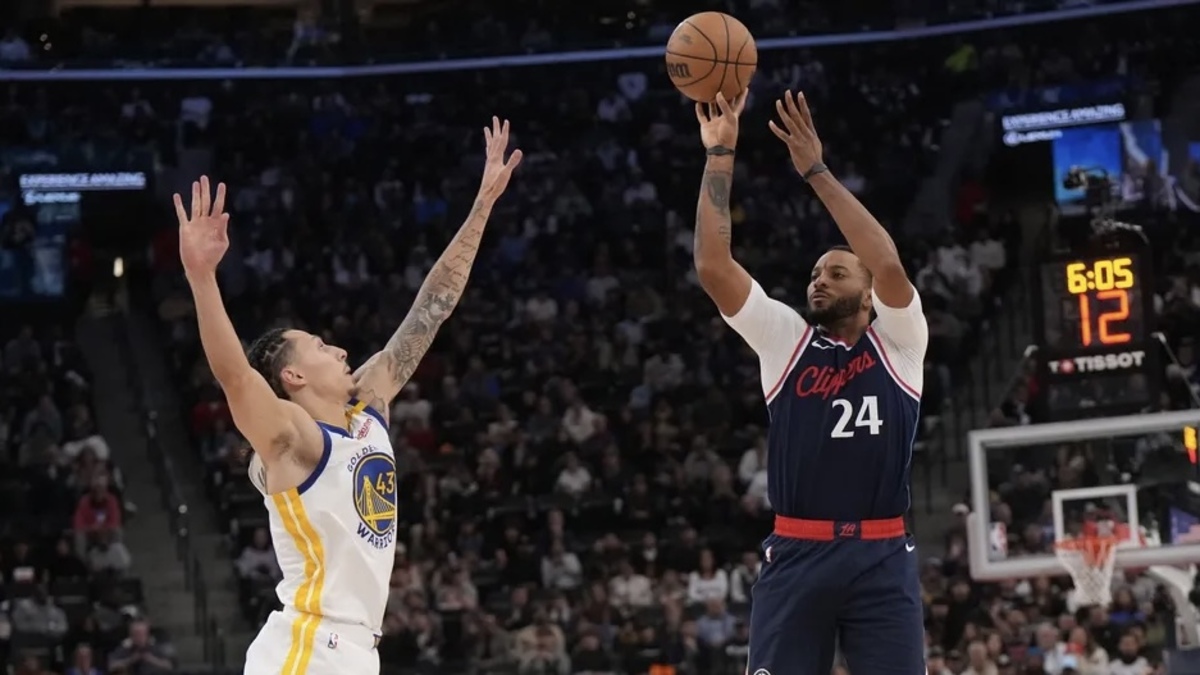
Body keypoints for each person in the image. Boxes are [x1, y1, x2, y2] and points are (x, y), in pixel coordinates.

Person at [175, 117, 523, 675]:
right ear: (293, 379)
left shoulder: (368, 409)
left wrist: (482, 204)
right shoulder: (294, 441)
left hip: (358, 651)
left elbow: (431, 309)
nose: (338, 350)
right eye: (317, 346)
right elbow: (237, 378)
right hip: (308, 647)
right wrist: (201, 276)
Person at [692, 90, 927, 674]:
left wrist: (816, 172)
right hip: (798, 552)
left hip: (881, 554)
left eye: (837, 271)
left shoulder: (900, 343)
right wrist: (721, 154)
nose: (819, 280)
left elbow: (890, 264)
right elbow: (713, 267)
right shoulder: (787, 342)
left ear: (868, 293)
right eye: (815, 272)